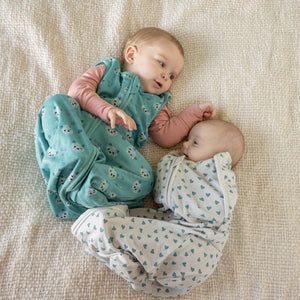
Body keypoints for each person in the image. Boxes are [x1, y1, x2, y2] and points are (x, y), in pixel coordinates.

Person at [35, 27, 215, 219]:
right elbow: (78, 91)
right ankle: (76, 159)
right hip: (74, 137)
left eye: (172, 76)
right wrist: (106, 109)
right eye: (161, 63)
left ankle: (88, 189)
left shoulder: (157, 103)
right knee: (57, 102)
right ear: (131, 54)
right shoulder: (109, 70)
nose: (166, 75)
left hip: (111, 154)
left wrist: (193, 114)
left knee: (147, 180)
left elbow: (165, 136)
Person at [71, 119, 245, 297]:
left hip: (199, 244)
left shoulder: (220, 183)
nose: (185, 144)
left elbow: (170, 193)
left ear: (221, 158)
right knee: (141, 236)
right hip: (185, 241)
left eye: (195, 142)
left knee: (125, 231)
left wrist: (171, 165)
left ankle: (101, 230)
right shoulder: (193, 170)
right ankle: (114, 247)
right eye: (187, 139)